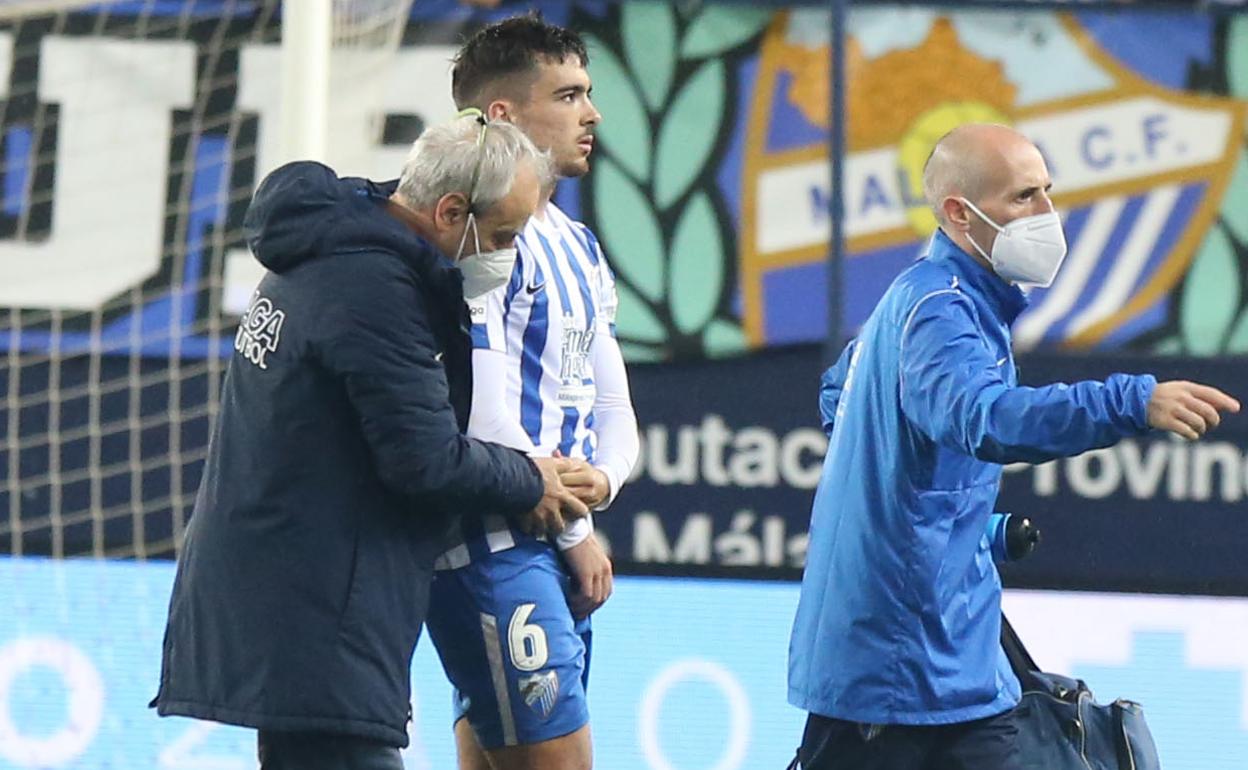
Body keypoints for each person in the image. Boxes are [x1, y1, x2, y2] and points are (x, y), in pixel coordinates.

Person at [787, 123, 1240, 770]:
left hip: (950, 666)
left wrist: (961, 529)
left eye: (1047, 192)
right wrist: (1130, 401)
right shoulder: (940, 311)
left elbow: (850, 405)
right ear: (958, 213)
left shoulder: (938, 300)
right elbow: (986, 418)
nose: (1048, 214)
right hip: (894, 674)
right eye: (1023, 197)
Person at [152, 114, 590, 770]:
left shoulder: (335, 248)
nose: (510, 251)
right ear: (449, 211)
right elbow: (424, 458)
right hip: (317, 604)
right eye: (502, 234)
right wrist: (532, 477)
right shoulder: (374, 287)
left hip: (295, 587)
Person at [424, 16, 639, 770]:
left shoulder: (577, 243)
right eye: (570, 94)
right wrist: (577, 536)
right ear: (505, 116)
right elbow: (477, 410)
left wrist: (603, 483)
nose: (593, 113)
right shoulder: (480, 233)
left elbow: (611, 403)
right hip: (491, 545)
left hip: (548, 539)